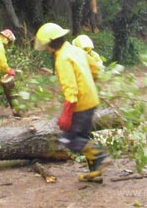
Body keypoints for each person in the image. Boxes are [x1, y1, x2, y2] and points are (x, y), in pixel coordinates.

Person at [34, 22, 111, 183]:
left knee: (69, 139)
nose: (46, 49)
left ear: (51, 43)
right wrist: (89, 84)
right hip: (91, 99)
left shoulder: (62, 58)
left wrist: (66, 115)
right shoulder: (75, 50)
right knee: (84, 136)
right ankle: (95, 172)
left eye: (46, 45)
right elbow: (95, 69)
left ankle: (101, 156)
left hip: (80, 104)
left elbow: (71, 89)